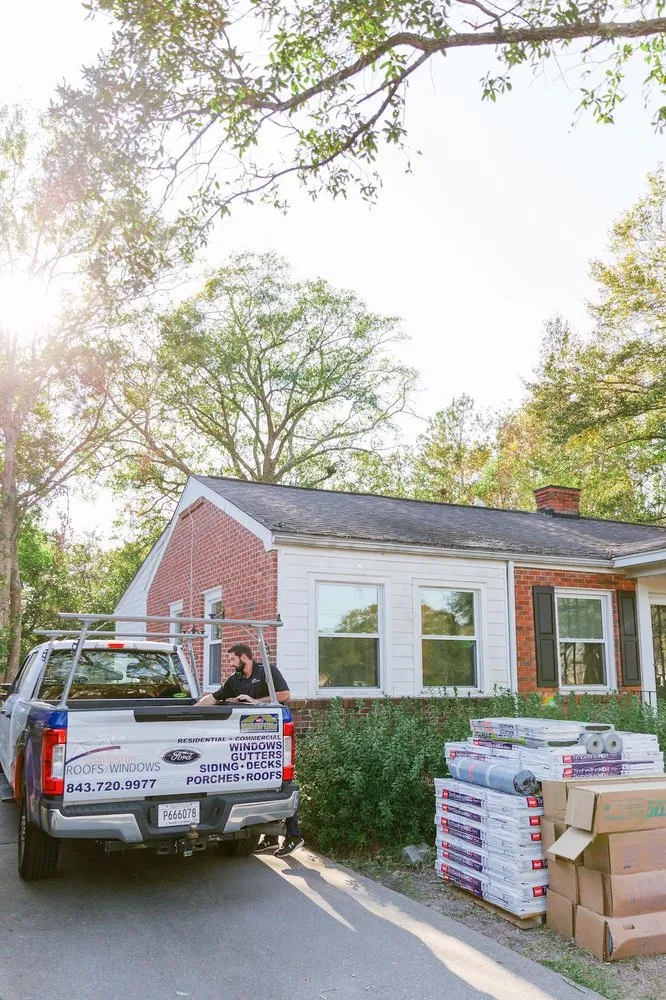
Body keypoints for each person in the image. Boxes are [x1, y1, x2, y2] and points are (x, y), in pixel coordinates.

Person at [197, 643, 304, 857]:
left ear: (244, 657)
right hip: (249, 740)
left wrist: (256, 702)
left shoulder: (266, 672)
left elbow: (284, 695)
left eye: (232, 659)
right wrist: (191, 710)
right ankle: (271, 838)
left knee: (280, 781)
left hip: (271, 736)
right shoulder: (235, 680)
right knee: (263, 783)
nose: (230, 663)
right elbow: (214, 697)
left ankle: (294, 836)